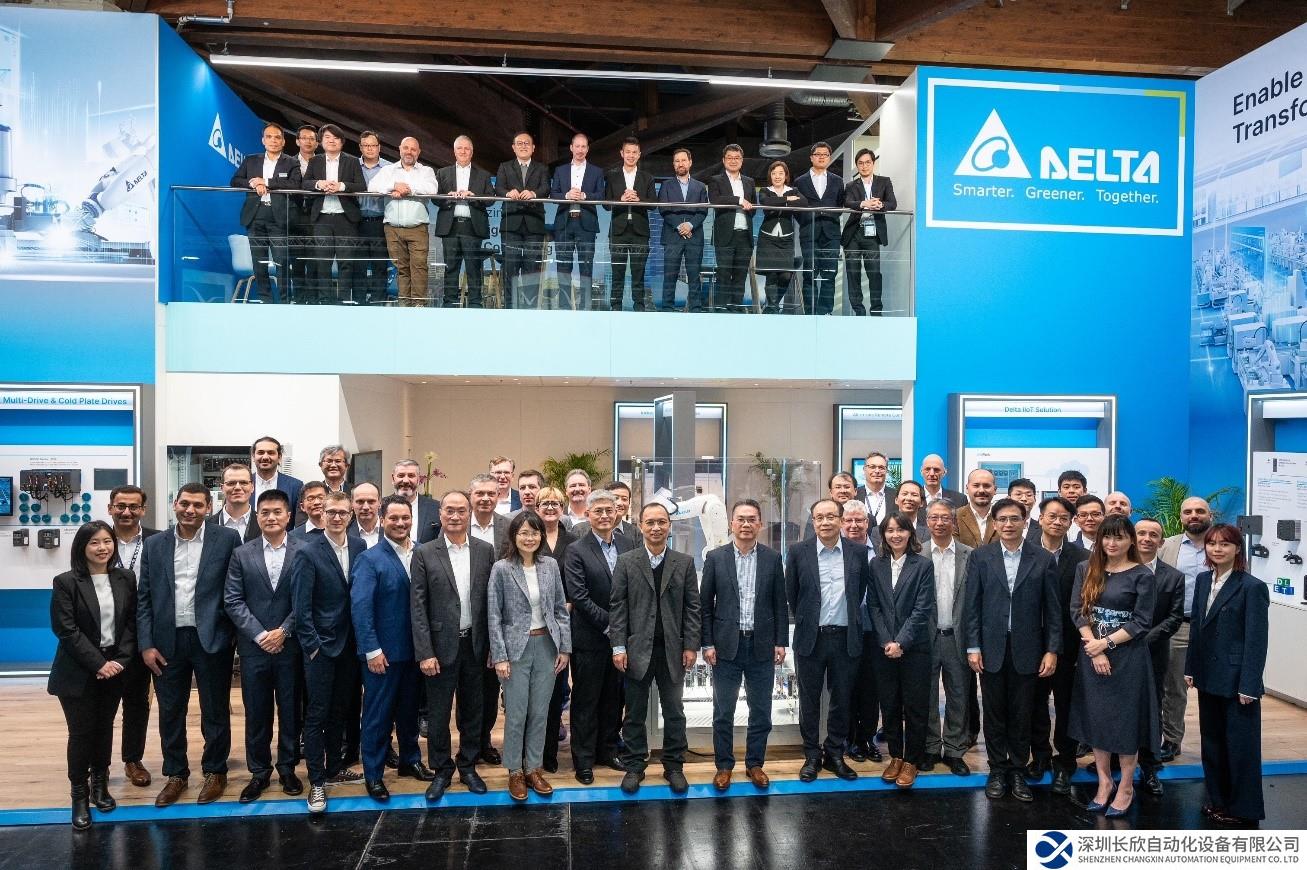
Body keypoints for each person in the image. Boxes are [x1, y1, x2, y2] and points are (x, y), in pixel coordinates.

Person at [136, 483, 242, 807]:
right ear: (175, 505)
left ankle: (216, 771)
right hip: (166, 641)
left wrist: (229, 635)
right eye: (184, 504)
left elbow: (235, 589)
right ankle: (176, 774)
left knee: (215, 709)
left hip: (211, 639)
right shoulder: (154, 544)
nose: (190, 510)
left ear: (209, 508)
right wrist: (146, 644)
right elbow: (144, 598)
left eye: (198, 505)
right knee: (170, 711)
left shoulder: (227, 539)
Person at [963, 497, 1061, 802]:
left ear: (1025, 521)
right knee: (994, 713)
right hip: (990, 648)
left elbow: (1053, 610)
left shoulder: (1042, 559)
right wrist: (973, 646)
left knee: (1022, 712)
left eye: (1014, 519)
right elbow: (972, 606)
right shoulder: (981, 557)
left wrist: (1052, 650)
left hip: (1029, 649)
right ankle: (997, 769)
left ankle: (1017, 769)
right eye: (1002, 519)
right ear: (995, 523)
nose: (1008, 524)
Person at [1068, 514, 1158, 818]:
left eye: (1119, 537)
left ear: (1130, 540)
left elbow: (1142, 622)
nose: (1112, 543)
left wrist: (1105, 644)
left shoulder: (1142, 575)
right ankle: (1105, 781)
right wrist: (1095, 649)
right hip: (1091, 654)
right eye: (1107, 536)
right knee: (1097, 720)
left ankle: (1126, 785)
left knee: (1125, 723)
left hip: (1128, 659)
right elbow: (1077, 611)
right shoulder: (1086, 568)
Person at [48, 521, 136, 829]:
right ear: (82, 547)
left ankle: (101, 784)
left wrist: (120, 661)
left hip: (115, 668)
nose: (102, 548)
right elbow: (66, 630)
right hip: (78, 671)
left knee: (104, 728)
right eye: (94, 543)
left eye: (107, 541)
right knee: (81, 732)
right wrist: (99, 663)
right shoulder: (66, 582)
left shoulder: (125, 578)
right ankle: (79, 794)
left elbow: (131, 624)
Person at [610, 502, 702, 794]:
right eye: (649, 522)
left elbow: (693, 608)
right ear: (640, 526)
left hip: (673, 650)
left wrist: (691, 645)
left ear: (670, 526)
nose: (656, 527)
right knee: (634, 713)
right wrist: (618, 646)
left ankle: (674, 766)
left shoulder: (684, 563)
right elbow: (618, 607)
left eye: (661, 522)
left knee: (675, 711)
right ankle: (635, 765)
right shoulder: (626, 562)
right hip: (637, 649)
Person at [223, 489, 305, 803]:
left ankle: (287, 768)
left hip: (290, 646)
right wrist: (260, 635)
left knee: (290, 710)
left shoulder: (304, 550)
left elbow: (306, 598)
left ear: (288, 516)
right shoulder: (241, 553)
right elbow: (233, 600)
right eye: (265, 512)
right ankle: (259, 772)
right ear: (257, 517)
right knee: (256, 712)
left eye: (277, 512)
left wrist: (284, 631)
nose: (271, 517)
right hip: (254, 648)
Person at [411, 490, 494, 800]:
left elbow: (492, 602)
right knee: (438, 713)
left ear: (469, 514)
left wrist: (493, 646)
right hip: (439, 647)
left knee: (473, 710)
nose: (456, 516)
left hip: (476, 645)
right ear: (441, 514)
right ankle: (442, 770)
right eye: (450, 510)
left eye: (461, 510)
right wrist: (425, 652)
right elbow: (418, 606)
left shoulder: (485, 551)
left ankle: (468, 766)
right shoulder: (425, 552)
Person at [1185, 524, 1269, 827]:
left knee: (1240, 747)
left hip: (1237, 681)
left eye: (1225, 544)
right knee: (1212, 743)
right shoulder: (1204, 579)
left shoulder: (1251, 586)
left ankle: (1243, 809)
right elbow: (1197, 628)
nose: (1217, 549)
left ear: (1237, 549)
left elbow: (1256, 640)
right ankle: (1218, 799)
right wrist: (1191, 667)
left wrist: (1249, 684)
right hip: (1208, 676)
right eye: (1212, 543)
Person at [701, 499, 788, 790]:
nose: (746, 524)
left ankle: (755, 764)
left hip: (761, 645)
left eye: (752, 519)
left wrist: (780, 641)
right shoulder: (715, 558)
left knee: (761, 710)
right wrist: (707, 643)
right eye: (741, 519)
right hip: (726, 646)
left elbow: (779, 603)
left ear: (760, 524)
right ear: (731, 523)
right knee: (723, 711)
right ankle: (724, 766)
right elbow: (704, 606)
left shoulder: (772, 558)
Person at [291, 491, 367, 813]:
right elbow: (301, 607)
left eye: (342, 513)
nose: (337, 517)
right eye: (331, 512)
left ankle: (334, 766)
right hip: (321, 648)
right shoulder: (307, 552)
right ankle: (317, 781)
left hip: (351, 646)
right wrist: (312, 648)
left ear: (351, 516)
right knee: (317, 714)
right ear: (321, 514)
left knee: (341, 711)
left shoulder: (360, 547)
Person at [351, 495, 430, 801]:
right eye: (394, 518)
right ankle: (373, 774)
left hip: (416, 653)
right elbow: (361, 608)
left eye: (405, 518)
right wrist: (371, 650)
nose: (400, 523)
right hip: (382, 655)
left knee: (410, 712)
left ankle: (410, 760)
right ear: (382, 520)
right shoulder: (369, 559)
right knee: (377, 715)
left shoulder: (422, 553)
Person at [487, 511, 572, 800]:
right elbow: (494, 615)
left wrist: (564, 648)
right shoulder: (501, 568)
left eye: (534, 532)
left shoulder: (550, 566)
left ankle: (533, 767)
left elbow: (560, 609)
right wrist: (500, 656)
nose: (529, 538)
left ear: (541, 536)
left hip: (547, 646)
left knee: (540, 712)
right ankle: (515, 770)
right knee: (517, 713)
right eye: (523, 532)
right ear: (514, 536)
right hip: (515, 650)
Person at [786, 498, 869, 782]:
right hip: (811, 637)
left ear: (841, 520)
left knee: (842, 699)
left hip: (846, 637)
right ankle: (811, 754)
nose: (825, 522)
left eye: (831, 516)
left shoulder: (858, 552)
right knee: (809, 700)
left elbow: (860, 590)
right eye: (819, 517)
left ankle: (835, 753)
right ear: (813, 522)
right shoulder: (798, 552)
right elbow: (792, 594)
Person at [562, 489, 635, 783]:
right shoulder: (576, 550)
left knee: (613, 698)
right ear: (588, 514)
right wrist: (612, 625)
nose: (605, 515)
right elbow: (578, 596)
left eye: (609, 510)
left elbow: (635, 588)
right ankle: (583, 758)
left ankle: (608, 750)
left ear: (617, 513)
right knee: (586, 700)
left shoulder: (629, 544)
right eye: (599, 511)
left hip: (622, 640)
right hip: (590, 638)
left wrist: (622, 629)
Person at [867, 511, 935, 788]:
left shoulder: (923, 565)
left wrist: (901, 642)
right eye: (890, 530)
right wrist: (887, 641)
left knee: (915, 706)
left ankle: (912, 761)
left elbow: (922, 609)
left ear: (910, 533)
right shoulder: (876, 564)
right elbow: (873, 606)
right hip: (884, 649)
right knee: (890, 705)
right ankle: (895, 756)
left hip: (915, 648)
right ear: (883, 535)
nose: (895, 535)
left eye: (901, 530)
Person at [1026, 496, 1089, 795]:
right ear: (1040, 518)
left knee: (1067, 706)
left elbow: (1086, 604)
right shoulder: (1024, 550)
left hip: (1069, 645)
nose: (1057, 522)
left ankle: (1065, 761)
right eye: (1052, 516)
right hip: (1030, 643)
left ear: (1071, 522)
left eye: (1064, 518)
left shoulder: (1082, 557)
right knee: (1035, 704)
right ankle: (1039, 756)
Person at [107, 485, 159, 789]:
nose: (127, 512)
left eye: (133, 507)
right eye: (121, 506)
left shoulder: (157, 540)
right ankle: (98, 763)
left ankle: (132, 759)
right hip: (107, 635)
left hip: (144, 634)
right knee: (102, 704)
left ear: (143, 510)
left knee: (137, 702)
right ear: (110, 508)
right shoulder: (98, 539)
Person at [1134, 516, 1186, 796]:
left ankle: (1150, 766)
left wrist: (1142, 639)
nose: (1146, 538)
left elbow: (1174, 618)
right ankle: (1116, 759)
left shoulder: (1173, 577)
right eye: (1141, 533)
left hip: (1153, 653)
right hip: (1117, 652)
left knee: (1152, 709)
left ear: (1161, 542)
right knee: (1119, 708)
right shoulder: (1115, 569)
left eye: (1153, 534)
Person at [922, 499, 973, 776]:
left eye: (945, 518)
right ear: (927, 521)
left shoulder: (969, 555)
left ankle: (954, 750)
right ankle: (930, 747)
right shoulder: (918, 553)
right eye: (934, 517)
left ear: (954, 522)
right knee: (927, 695)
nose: (939, 522)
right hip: (926, 637)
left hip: (958, 637)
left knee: (959, 695)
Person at [1159, 496, 1212, 761]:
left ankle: (1215, 744)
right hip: (1178, 626)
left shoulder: (1221, 544)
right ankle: (1172, 739)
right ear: (1181, 517)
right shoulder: (1167, 546)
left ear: (1210, 516)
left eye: (1200, 511)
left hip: (1213, 629)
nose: (1194, 515)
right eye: (1188, 511)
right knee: (1174, 688)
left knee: (1214, 688)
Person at [230, 122, 301, 302]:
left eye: (277, 137)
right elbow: (235, 180)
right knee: (259, 262)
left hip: (279, 217)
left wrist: (266, 182)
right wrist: (254, 183)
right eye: (269, 137)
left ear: (283, 141)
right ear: (263, 140)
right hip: (255, 216)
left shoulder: (292, 162)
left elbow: (295, 184)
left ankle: (285, 301)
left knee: (282, 262)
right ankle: (265, 299)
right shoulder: (251, 160)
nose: (273, 140)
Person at [367, 136, 438, 307]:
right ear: (399, 149)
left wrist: (408, 189)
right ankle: (404, 305)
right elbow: (372, 187)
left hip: (417, 227)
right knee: (401, 268)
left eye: (413, 149)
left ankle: (419, 305)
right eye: (406, 148)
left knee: (419, 267)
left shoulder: (426, 171)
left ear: (418, 152)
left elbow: (432, 189)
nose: (409, 152)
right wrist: (393, 185)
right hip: (393, 228)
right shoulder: (388, 170)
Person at [301, 124, 366, 304]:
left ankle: (343, 300)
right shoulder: (315, 161)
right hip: (321, 218)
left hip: (346, 218)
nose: (331, 141)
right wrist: (319, 184)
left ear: (342, 142)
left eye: (336, 138)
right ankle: (325, 301)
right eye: (327, 137)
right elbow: (305, 183)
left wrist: (341, 186)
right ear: (321, 142)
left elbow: (361, 186)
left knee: (346, 262)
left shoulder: (352, 161)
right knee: (323, 262)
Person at [534, 485, 574, 773]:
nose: (550, 507)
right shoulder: (528, 536)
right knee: (534, 695)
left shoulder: (573, 542)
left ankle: (549, 753)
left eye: (555, 503)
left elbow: (576, 581)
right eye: (544, 503)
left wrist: (563, 607)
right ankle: (532, 752)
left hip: (562, 624)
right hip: (532, 626)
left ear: (563, 507)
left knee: (556, 692)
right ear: (536, 508)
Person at [841, 499, 882, 763]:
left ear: (867, 523)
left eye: (859, 520)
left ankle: (867, 738)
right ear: (841, 523)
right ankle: (850, 739)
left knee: (871, 688)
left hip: (875, 629)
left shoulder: (880, 549)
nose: (854, 525)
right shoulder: (836, 550)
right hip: (845, 628)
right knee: (848, 687)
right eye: (849, 520)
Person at [435, 135, 494, 308]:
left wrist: (474, 197)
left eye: (466, 148)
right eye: (459, 148)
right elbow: (435, 198)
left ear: (472, 152)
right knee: (451, 267)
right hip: (450, 226)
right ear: (454, 151)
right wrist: (448, 197)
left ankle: (475, 305)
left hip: (472, 227)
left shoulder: (483, 175)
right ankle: (449, 304)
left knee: (473, 268)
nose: (463, 151)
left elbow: (491, 199)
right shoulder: (442, 172)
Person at [495, 133, 552, 309]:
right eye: (519, 143)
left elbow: (546, 187)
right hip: (511, 223)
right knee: (510, 269)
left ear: (533, 148)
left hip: (534, 224)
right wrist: (507, 193)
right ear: (513, 147)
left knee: (531, 269)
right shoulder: (504, 167)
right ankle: (509, 308)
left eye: (527, 143)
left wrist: (534, 193)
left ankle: (530, 310)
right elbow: (498, 187)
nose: (523, 146)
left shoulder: (542, 168)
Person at [551, 133, 606, 310]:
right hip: (564, 223)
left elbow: (601, 196)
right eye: (577, 146)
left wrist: (584, 196)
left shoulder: (597, 171)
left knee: (586, 267)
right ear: (571, 148)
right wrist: (567, 195)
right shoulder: (560, 170)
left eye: (583, 146)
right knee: (563, 266)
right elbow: (553, 194)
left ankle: (585, 307)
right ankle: (564, 306)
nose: (580, 150)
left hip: (586, 224)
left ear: (587, 149)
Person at [840, 148, 897, 315]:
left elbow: (892, 203)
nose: (864, 166)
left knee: (874, 273)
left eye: (867, 162)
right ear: (857, 165)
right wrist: (864, 204)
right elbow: (847, 202)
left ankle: (876, 311)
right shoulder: (851, 185)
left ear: (873, 163)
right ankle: (859, 311)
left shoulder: (884, 181)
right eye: (860, 163)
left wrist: (880, 205)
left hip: (872, 234)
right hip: (853, 233)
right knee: (853, 273)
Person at [604, 137, 656, 311]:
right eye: (628, 152)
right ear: (622, 153)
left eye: (634, 152)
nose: (631, 155)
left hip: (640, 232)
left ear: (639, 154)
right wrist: (621, 199)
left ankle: (639, 307)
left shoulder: (647, 177)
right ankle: (615, 307)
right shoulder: (612, 176)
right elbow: (606, 204)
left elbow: (654, 204)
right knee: (617, 272)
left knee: (638, 273)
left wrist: (638, 200)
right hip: (618, 232)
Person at [792, 141, 844, 315]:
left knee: (830, 273)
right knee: (809, 274)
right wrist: (808, 220)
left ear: (829, 158)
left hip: (831, 233)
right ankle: (811, 312)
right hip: (809, 232)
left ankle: (825, 312)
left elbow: (840, 205)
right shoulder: (800, 181)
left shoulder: (838, 181)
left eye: (825, 155)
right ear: (811, 157)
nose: (821, 157)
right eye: (818, 154)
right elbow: (796, 209)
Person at [656, 147, 708, 312]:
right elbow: (664, 209)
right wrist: (680, 226)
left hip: (694, 235)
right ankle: (667, 309)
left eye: (683, 160)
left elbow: (703, 211)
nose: (680, 164)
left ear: (690, 162)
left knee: (694, 275)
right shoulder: (666, 185)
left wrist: (690, 225)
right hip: (672, 235)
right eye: (677, 161)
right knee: (670, 275)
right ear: (673, 164)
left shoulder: (700, 186)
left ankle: (695, 309)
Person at [707, 144, 755, 313]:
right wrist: (739, 200)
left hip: (745, 235)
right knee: (724, 273)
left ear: (742, 160)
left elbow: (753, 207)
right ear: (723, 160)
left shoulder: (749, 181)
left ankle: (736, 307)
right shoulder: (716, 180)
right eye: (730, 158)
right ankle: (721, 307)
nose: (733, 161)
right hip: (725, 235)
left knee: (741, 274)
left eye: (737, 158)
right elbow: (715, 200)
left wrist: (747, 205)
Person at [754, 160, 806, 314]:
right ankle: (772, 307)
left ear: (786, 175)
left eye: (781, 173)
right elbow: (766, 202)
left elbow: (804, 203)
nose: (777, 176)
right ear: (770, 175)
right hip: (768, 238)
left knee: (785, 275)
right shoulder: (765, 190)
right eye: (774, 173)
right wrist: (787, 200)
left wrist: (782, 201)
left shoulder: (793, 190)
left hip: (786, 239)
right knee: (771, 273)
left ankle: (773, 304)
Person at [355, 131, 391, 305]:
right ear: (360, 147)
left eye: (373, 145)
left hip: (380, 222)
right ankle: (359, 303)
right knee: (358, 266)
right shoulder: (352, 165)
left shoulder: (389, 168)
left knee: (380, 266)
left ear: (379, 147)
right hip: (356, 223)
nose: (370, 148)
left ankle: (378, 303)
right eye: (366, 145)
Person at [288, 124, 319, 301]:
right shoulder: (288, 162)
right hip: (294, 216)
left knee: (315, 262)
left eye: (312, 139)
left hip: (317, 217)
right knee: (297, 262)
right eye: (304, 138)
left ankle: (313, 301)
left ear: (317, 143)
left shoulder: (323, 163)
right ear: (297, 141)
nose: (308, 141)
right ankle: (299, 301)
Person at [391, 458, 441, 543]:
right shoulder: (380, 508)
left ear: (418, 480)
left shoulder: (436, 508)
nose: (406, 481)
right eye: (401, 475)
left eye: (411, 476)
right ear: (393, 479)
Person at [210, 462, 261, 543]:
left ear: (252, 487)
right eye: (231, 483)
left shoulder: (264, 523)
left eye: (243, 483)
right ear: (222, 488)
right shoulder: (206, 525)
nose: (237, 487)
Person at [251, 435, 303, 512]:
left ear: (279, 457)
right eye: (260, 452)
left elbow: (299, 517)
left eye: (271, 453)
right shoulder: (243, 484)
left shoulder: (296, 486)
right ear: (253, 457)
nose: (265, 457)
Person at [955, 469, 998, 548]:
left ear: (995, 490)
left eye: (986, 486)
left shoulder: (1003, 517)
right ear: (967, 488)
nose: (981, 490)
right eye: (976, 485)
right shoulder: (954, 517)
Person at [856, 451, 896, 525]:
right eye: (872, 467)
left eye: (881, 467)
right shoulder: (854, 495)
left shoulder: (896, 495)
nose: (877, 471)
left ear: (886, 471)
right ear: (864, 469)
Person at [349, 482, 382, 548]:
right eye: (360, 502)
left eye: (371, 502)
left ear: (380, 503)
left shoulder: (392, 529)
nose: (366, 507)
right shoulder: (344, 532)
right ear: (351, 504)